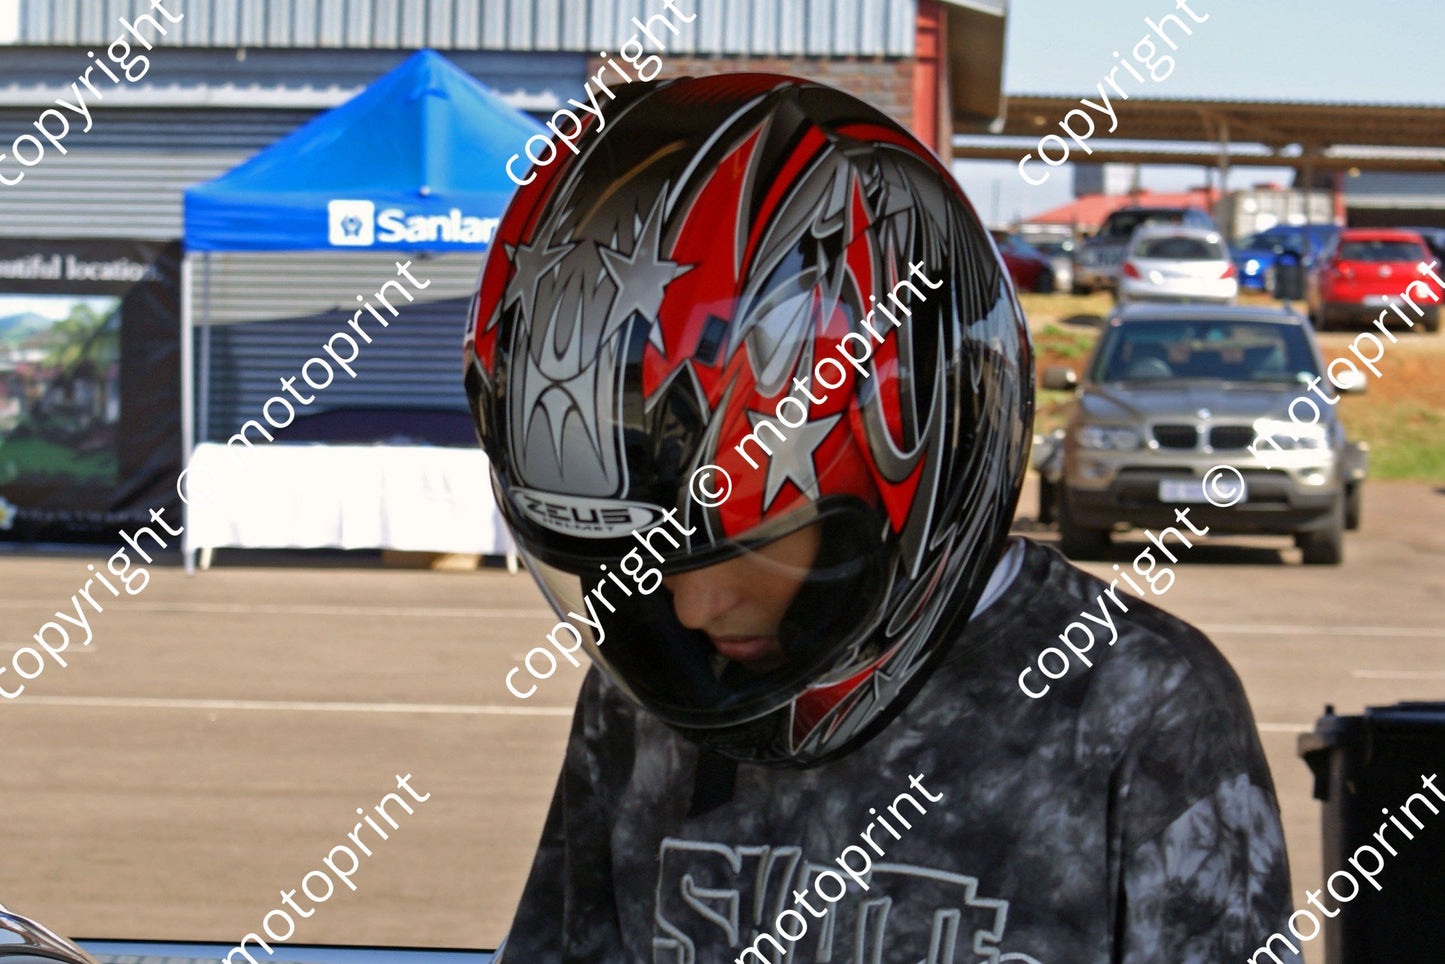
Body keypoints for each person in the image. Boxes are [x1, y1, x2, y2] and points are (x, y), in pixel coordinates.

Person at [464, 73, 1296, 964]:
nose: (690, 609)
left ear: (899, 451)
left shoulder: (1136, 702)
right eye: (638, 561)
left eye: (733, 547)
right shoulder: (647, 695)